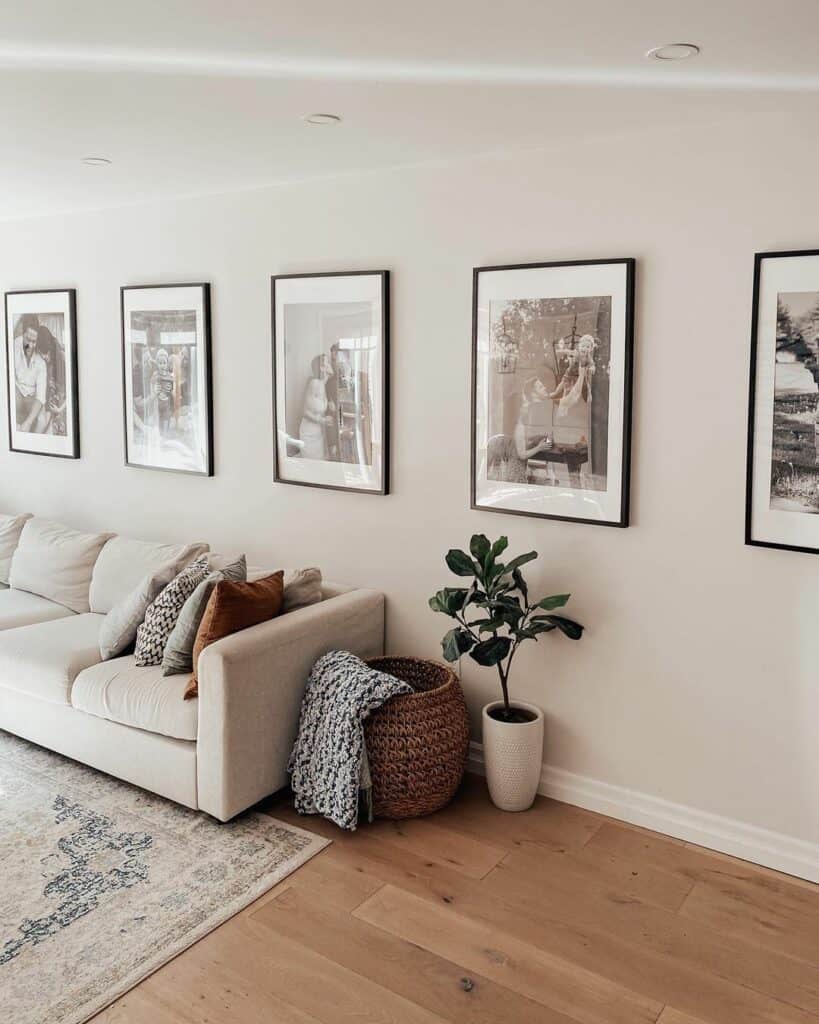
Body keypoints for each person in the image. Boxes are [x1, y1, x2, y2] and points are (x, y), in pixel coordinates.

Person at [13, 315, 49, 433]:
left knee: (42, 421)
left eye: (34, 341)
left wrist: (27, 424)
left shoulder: (41, 361)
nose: (31, 346)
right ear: (23, 334)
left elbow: (40, 397)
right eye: (28, 339)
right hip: (17, 390)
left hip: (32, 397)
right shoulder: (13, 345)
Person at [299, 356, 333, 460]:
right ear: (321, 367)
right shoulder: (314, 383)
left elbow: (332, 374)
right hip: (309, 434)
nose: (329, 364)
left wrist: (330, 402)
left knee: (320, 463)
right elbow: (304, 411)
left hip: (318, 433)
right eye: (327, 362)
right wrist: (322, 420)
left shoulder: (323, 383)